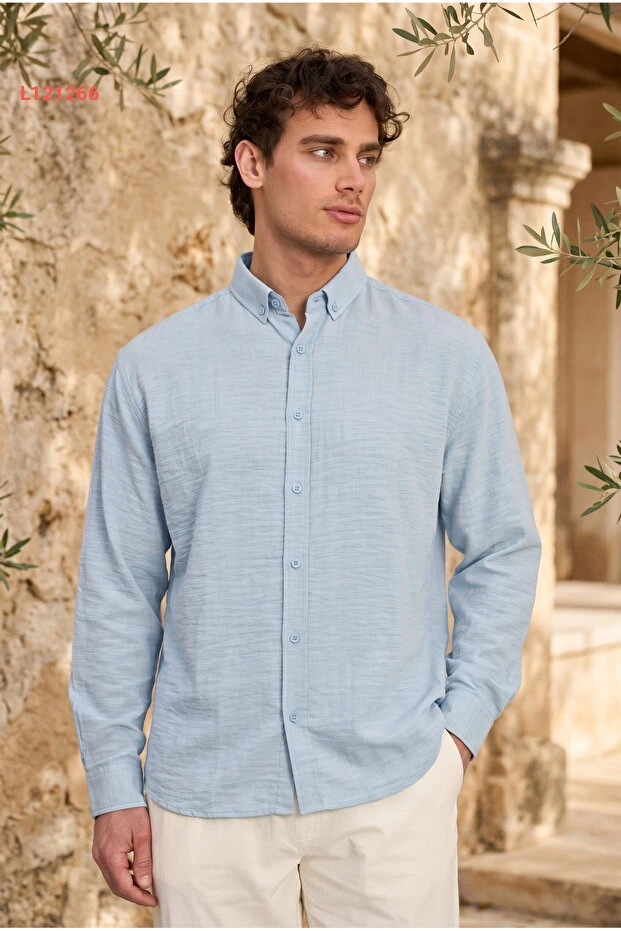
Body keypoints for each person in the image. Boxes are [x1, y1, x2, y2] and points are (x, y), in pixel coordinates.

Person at [68, 44, 542, 928]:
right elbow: (119, 588)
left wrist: (455, 734)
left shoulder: (444, 357)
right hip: (207, 796)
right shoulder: (155, 369)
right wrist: (112, 782)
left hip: (391, 788)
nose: (353, 179)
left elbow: (503, 549)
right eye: (323, 151)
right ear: (253, 164)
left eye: (366, 156)